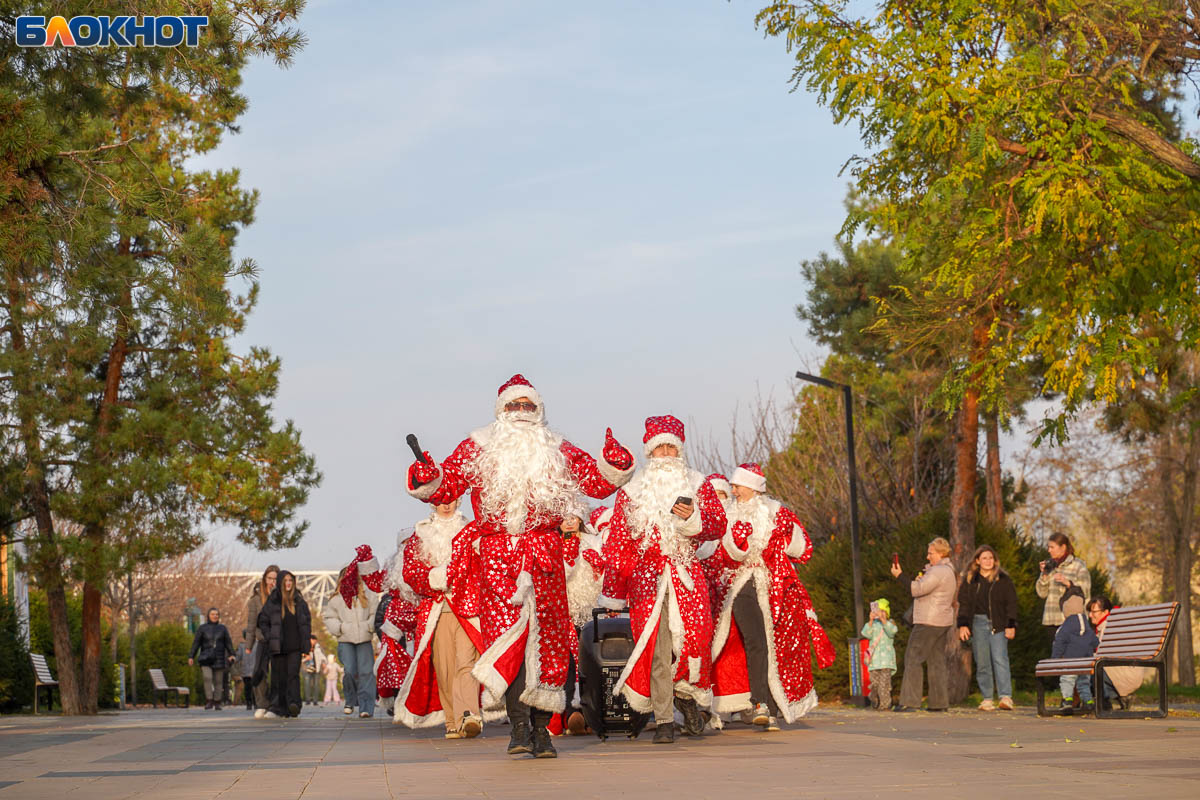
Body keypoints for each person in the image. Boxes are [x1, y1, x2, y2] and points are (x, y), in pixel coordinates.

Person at [406, 373, 634, 759]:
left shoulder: (557, 448)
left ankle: (543, 731)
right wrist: (429, 475)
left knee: (547, 646)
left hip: (544, 553)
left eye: (529, 406)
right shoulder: (478, 446)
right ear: (501, 411)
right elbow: (445, 486)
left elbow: (596, 481)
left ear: (539, 411)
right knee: (507, 645)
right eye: (515, 406)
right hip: (497, 560)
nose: (522, 413)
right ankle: (518, 727)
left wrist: (614, 462)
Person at [599, 415, 726, 744]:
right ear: (649, 452)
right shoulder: (631, 491)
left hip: (686, 573)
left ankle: (686, 695)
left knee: (696, 639)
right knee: (656, 649)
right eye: (660, 448)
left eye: (672, 447)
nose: (666, 453)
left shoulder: (698, 483)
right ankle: (665, 718)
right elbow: (618, 545)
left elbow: (717, 524)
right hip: (647, 578)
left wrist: (693, 518)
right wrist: (613, 594)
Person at [709, 463, 834, 731]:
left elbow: (802, 549)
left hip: (777, 586)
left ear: (753, 487)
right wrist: (737, 545)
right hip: (741, 585)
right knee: (755, 640)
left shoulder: (777, 513)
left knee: (778, 644)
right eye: (732, 485)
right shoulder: (728, 516)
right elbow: (723, 556)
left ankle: (775, 705)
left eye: (738, 486)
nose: (733, 490)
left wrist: (784, 539)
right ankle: (759, 703)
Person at [393, 500, 486, 739]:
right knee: (444, 668)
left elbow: (484, 565)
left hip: (467, 609)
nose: (446, 505)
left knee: (467, 663)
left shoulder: (471, 530)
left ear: (458, 500)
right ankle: (452, 720)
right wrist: (436, 578)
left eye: (451, 499)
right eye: (440, 501)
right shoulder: (419, 534)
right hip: (436, 610)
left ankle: (470, 715)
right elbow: (411, 573)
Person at [891, 537, 956, 712]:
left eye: (931, 553)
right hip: (942, 621)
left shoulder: (938, 571)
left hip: (928, 621)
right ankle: (939, 703)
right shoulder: (948, 570)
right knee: (936, 661)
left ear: (941, 553)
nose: (928, 557)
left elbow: (916, 589)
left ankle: (910, 702)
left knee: (913, 658)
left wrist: (900, 576)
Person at [323, 546, 385, 718]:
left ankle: (366, 707)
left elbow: (375, 612)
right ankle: (350, 700)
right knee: (349, 671)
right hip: (345, 640)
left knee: (366, 672)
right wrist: (341, 628)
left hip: (364, 638)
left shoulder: (368, 595)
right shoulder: (336, 599)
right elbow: (329, 618)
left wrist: (368, 626)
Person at [956, 544, 1019, 711]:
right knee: (982, 662)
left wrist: (1011, 624)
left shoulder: (1003, 580)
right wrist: (962, 625)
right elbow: (963, 604)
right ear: (977, 560)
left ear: (995, 560)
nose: (988, 561)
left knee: (1000, 659)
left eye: (991, 558)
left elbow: (1012, 603)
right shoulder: (970, 580)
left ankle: (1006, 697)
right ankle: (987, 698)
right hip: (977, 623)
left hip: (998, 624)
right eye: (984, 558)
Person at [561, 511, 604, 735]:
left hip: (590, 613)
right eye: (564, 517)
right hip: (563, 614)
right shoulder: (552, 543)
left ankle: (592, 714)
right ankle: (570, 714)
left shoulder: (594, 542)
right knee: (566, 666)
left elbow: (606, 574)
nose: (569, 522)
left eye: (573, 517)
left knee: (591, 665)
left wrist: (598, 565)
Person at [376, 528, 420, 716]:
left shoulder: (423, 564)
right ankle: (396, 701)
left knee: (417, 663)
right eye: (404, 543)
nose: (408, 546)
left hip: (418, 622)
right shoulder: (392, 567)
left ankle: (415, 703)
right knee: (393, 664)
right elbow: (376, 583)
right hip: (395, 625)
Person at [257, 570, 312, 718]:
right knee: (278, 677)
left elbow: (306, 624)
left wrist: (306, 644)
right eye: (285, 580)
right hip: (278, 647)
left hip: (295, 647)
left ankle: (293, 704)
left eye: (290, 581)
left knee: (292, 676)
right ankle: (277, 707)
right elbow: (262, 620)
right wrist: (269, 637)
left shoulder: (299, 601)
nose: (288, 583)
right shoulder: (273, 601)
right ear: (280, 582)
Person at [1051, 586, 1099, 713]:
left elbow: (1059, 643)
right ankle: (1088, 701)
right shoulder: (1087, 627)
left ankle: (1067, 701)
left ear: (1066, 612)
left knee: (1067, 679)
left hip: (1069, 661)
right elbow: (1095, 641)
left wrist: (1054, 659)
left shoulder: (1064, 628)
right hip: (1085, 662)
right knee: (1084, 681)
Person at [1087, 596, 1140, 710]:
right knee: (1089, 666)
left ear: (1105, 612)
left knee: (1090, 668)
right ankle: (1118, 699)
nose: (1090, 615)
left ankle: (1105, 704)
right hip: (1118, 668)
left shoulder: (1109, 627)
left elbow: (1103, 655)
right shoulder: (1105, 626)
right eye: (1090, 612)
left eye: (1093, 612)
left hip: (1125, 672)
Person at [1036, 532, 1091, 630]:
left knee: (1071, 646)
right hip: (1051, 620)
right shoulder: (1050, 566)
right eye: (1048, 547)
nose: (1049, 550)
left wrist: (1067, 583)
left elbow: (1085, 591)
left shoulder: (1078, 565)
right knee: (1056, 646)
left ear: (1063, 547)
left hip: (1071, 620)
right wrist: (1044, 574)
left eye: (1052, 547)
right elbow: (1042, 594)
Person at [245, 564, 279, 718]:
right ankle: (261, 704)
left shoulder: (282, 597)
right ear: (264, 579)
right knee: (259, 671)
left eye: (275, 579)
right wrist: (249, 644)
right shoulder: (256, 600)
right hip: (262, 640)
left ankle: (276, 705)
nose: (272, 582)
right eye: (269, 578)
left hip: (279, 640)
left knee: (278, 673)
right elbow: (251, 623)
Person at [188, 607, 236, 710]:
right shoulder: (202, 628)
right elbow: (196, 643)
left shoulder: (223, 628)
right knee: (207, 678)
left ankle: (217, 702)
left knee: (218, 681)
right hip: (206, 658)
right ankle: (209, 700)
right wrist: (191, 656)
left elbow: (228, 642)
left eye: (217, 614)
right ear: (208, 616)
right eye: (213, 614)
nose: (215, 616)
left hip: (219, 657)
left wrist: (232, 654)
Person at [861, 598, 898, 711]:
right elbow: (866, 634)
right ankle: (874, 698)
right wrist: (871, 621)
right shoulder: (874, 625)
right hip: (874, 662)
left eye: (882, 611)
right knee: (875, 685)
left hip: (887, 662)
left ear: (886, 612)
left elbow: (892, 632)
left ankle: (885, 705)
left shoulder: (890, 623)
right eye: (878, 611)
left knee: (884, 685)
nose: (880, 613)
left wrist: (884, 621)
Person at [301, 635, 325, 706]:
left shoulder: (319, 648)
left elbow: (323, 657)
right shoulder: (304, 647)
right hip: (307, 669)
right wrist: (306, 658)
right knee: (307, 684)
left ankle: (315, 700)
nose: (313, 642)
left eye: (314, 640)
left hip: (316, 669)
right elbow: (300, 659)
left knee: (316, 685)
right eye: (312, 640)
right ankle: (307, 700)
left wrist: (323, 663)